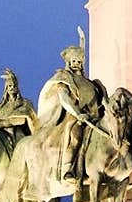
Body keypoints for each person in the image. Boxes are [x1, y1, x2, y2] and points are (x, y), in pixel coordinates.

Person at [34, 29, 108, 184]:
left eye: (80, 61)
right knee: (75, 136)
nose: (78, 64)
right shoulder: (64, 77)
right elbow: (64, 99)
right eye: (74, 61)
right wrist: (78, 114)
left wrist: (83, 40)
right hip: (76, 116)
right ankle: (68, 170)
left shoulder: (88, 81)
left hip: (96, 116)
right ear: (68, 62)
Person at [0, 68, 37, 146]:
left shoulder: (25, 103)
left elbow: (27, 119)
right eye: (10, 86)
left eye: (14, 86)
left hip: (18, 135)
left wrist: (1, 122)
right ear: (6, 88)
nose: (12, 88)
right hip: (1, 137)